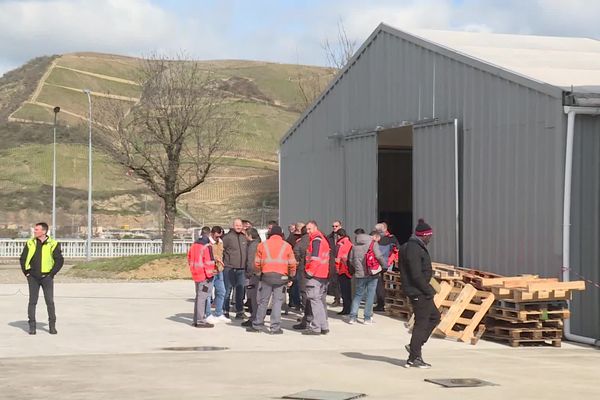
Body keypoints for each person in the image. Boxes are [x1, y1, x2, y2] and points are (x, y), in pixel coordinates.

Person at [400, 219, 439, 369]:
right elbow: (416, 275)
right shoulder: (413, 249)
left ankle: (414, 348)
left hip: (420, 290)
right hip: (418, 291)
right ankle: (414, 356)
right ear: (423, 236)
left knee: (434, 317)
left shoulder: (414, 247)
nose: (430, 239)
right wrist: (428, 290)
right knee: (422, 323)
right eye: (429, 236)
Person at [247, 226, 297, 334]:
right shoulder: (287, 246)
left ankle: (257, 325)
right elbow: (292, 263)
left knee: (263, 302)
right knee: (277, 302)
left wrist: (260, 273)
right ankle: (275, 328)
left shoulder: (262, 245)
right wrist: (291, 276)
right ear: (281, 234)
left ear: (270, 234)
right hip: (281, 278)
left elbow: (256, 263)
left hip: (266, 277)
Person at [19, 222, 64, 335]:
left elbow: (59, 260)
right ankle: (32, 327)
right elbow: (23, 259)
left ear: (44, 231)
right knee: (32, 302)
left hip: (47, 277)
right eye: (35, 229)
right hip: (33, 277)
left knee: (50, 302)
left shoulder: (53, 244)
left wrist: (51, 274)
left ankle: (52, 326)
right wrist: (27, 273)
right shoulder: (30, 243)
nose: (35, 231)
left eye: (37, 230)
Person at [347, 229, 386, 325]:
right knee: (370, 295)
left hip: (360, 274)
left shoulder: (354, 245)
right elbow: (379, 256)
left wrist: (357, 268)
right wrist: (384, 266)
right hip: (372, 273)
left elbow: (350, 259)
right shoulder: (373, 244)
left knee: (358, 295)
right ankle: (367, 318)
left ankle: (353, 317)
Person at [302, 221, 331, 335]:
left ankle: (316, 327)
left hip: (315, 274)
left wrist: (309, 272)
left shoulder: (316, 240)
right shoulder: (322, 239)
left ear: (315, 228)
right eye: (307, 229)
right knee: (318, 301)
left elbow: (315, 258)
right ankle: (323, 326)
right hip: (323, 274)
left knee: (314, 301)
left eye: (310, 229)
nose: (308, 232)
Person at [188, 234, 218, 328]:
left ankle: (196, 319)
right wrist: (210, 275)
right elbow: (208, 262)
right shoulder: (207, 247)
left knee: (198, 297)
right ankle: (201, 320)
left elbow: (189, 258)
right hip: (204, 276)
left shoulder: (194, 245)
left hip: (196, 273)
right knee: (202, 298)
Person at [222, 218, 248, 319]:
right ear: (233, 226)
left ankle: (240, 311)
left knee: (240, 290)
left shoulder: (244, 237)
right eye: (236, 225)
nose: (238, 227)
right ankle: (225, 310)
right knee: (227, 290)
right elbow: (221, 251)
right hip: (229, 268)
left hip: (241, 269)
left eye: (240, 225)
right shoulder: (227, 237)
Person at [373, 222, 400, 311]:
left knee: (381, 284)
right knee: (388, 283)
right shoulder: (391, 238)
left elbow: (396, 250)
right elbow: (396, 250)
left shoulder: (377, 238)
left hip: (380, 264)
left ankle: (382, 303)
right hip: (387, 264)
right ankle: (387, 304)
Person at [205, 226, 228, 324]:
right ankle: (207, 314)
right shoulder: (207, 243)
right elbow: (205, 255)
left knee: (222, 291)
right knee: (208, 293)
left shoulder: (221, 242)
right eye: (217, 236)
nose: (218, 238)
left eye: (220, 236)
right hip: (210, 271)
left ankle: (219, 313)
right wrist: (215, 258)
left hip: (219, 270)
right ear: (212, 233)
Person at [242, 228, 262, 327]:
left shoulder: (253, 246)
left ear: (250, 236)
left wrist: (248, 274)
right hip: (258, 274)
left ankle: (254, 317)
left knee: (253, 297)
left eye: (246, 234)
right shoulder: (259, 243)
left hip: (253, 275)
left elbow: (251, 261)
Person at [292, 224, 311, 330]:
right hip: (316, 272)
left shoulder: (300, 242)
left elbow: (295, 256)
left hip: (303, 271)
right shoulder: (319, 240)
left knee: (304, 293)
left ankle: (307, 317)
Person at [334, 229, 353, 315]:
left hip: (342, 270)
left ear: (338, 235)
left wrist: (336, 269)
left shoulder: (340, 244)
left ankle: (346, 309)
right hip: (349, 270)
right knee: (348, 291)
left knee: (344, 291)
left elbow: (337, 258)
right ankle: (349, 308)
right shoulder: (350, 243)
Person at [327, 220, 343, 307]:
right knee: (334, 282)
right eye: (333, 226)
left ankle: (345, 300)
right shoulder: (329, 237)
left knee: (343, 282)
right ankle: (337, 299)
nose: (334, 228)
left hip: (342, 263)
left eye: (336, 226)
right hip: (333, 262)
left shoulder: (344, 237)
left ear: (340, 226)